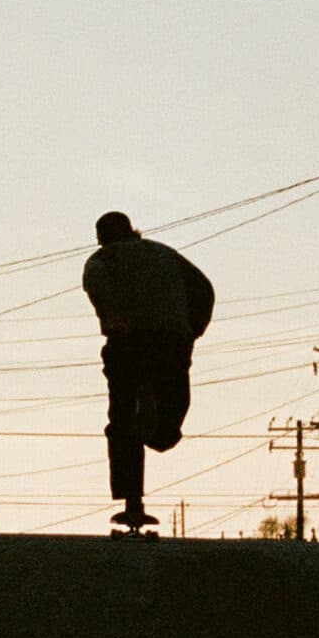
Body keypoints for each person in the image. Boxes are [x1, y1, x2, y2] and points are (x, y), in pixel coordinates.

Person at [81, 212, 215, 533]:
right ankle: (161, 430)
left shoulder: (100, 261)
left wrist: (116, 321)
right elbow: (204, 289)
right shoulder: (163, 253)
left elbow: (100, 295)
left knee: (122, 419)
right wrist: (192, 331)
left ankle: (131, 497)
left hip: (127, 344)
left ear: (101, 238)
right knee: (171, 410)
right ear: (132, 232)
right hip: (171, 341)